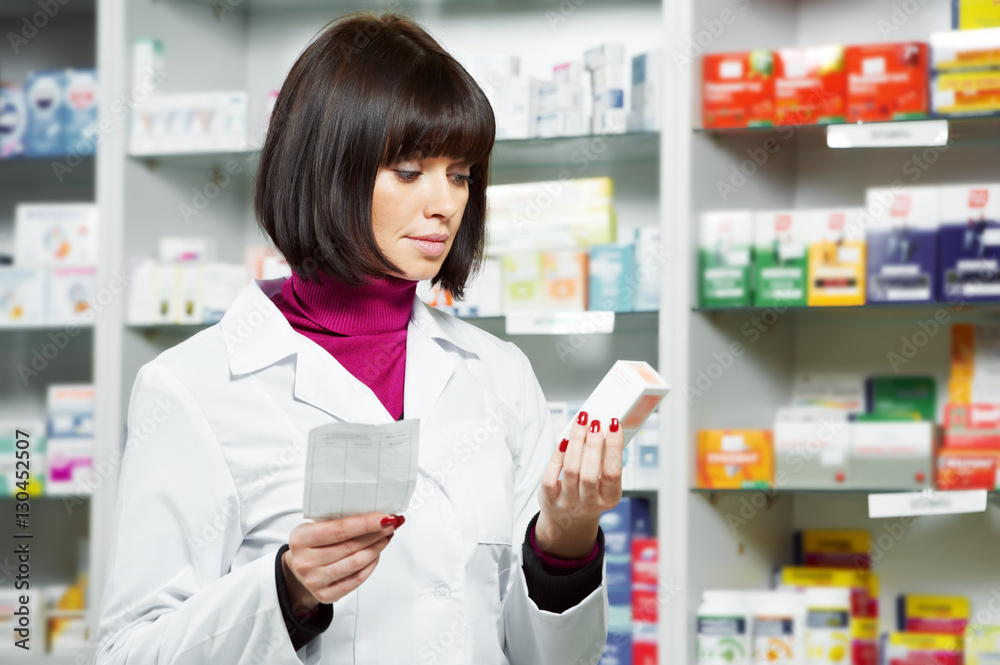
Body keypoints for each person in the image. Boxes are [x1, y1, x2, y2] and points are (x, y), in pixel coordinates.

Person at [95, 12, 625, 664]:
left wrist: (565, 541)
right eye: (409, 171)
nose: (445, 204)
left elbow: (553, 656)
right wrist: (285, 592)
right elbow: (129, 651)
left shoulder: (498, 374)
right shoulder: (193, 387)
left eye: (459, 173)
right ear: (326, 169)